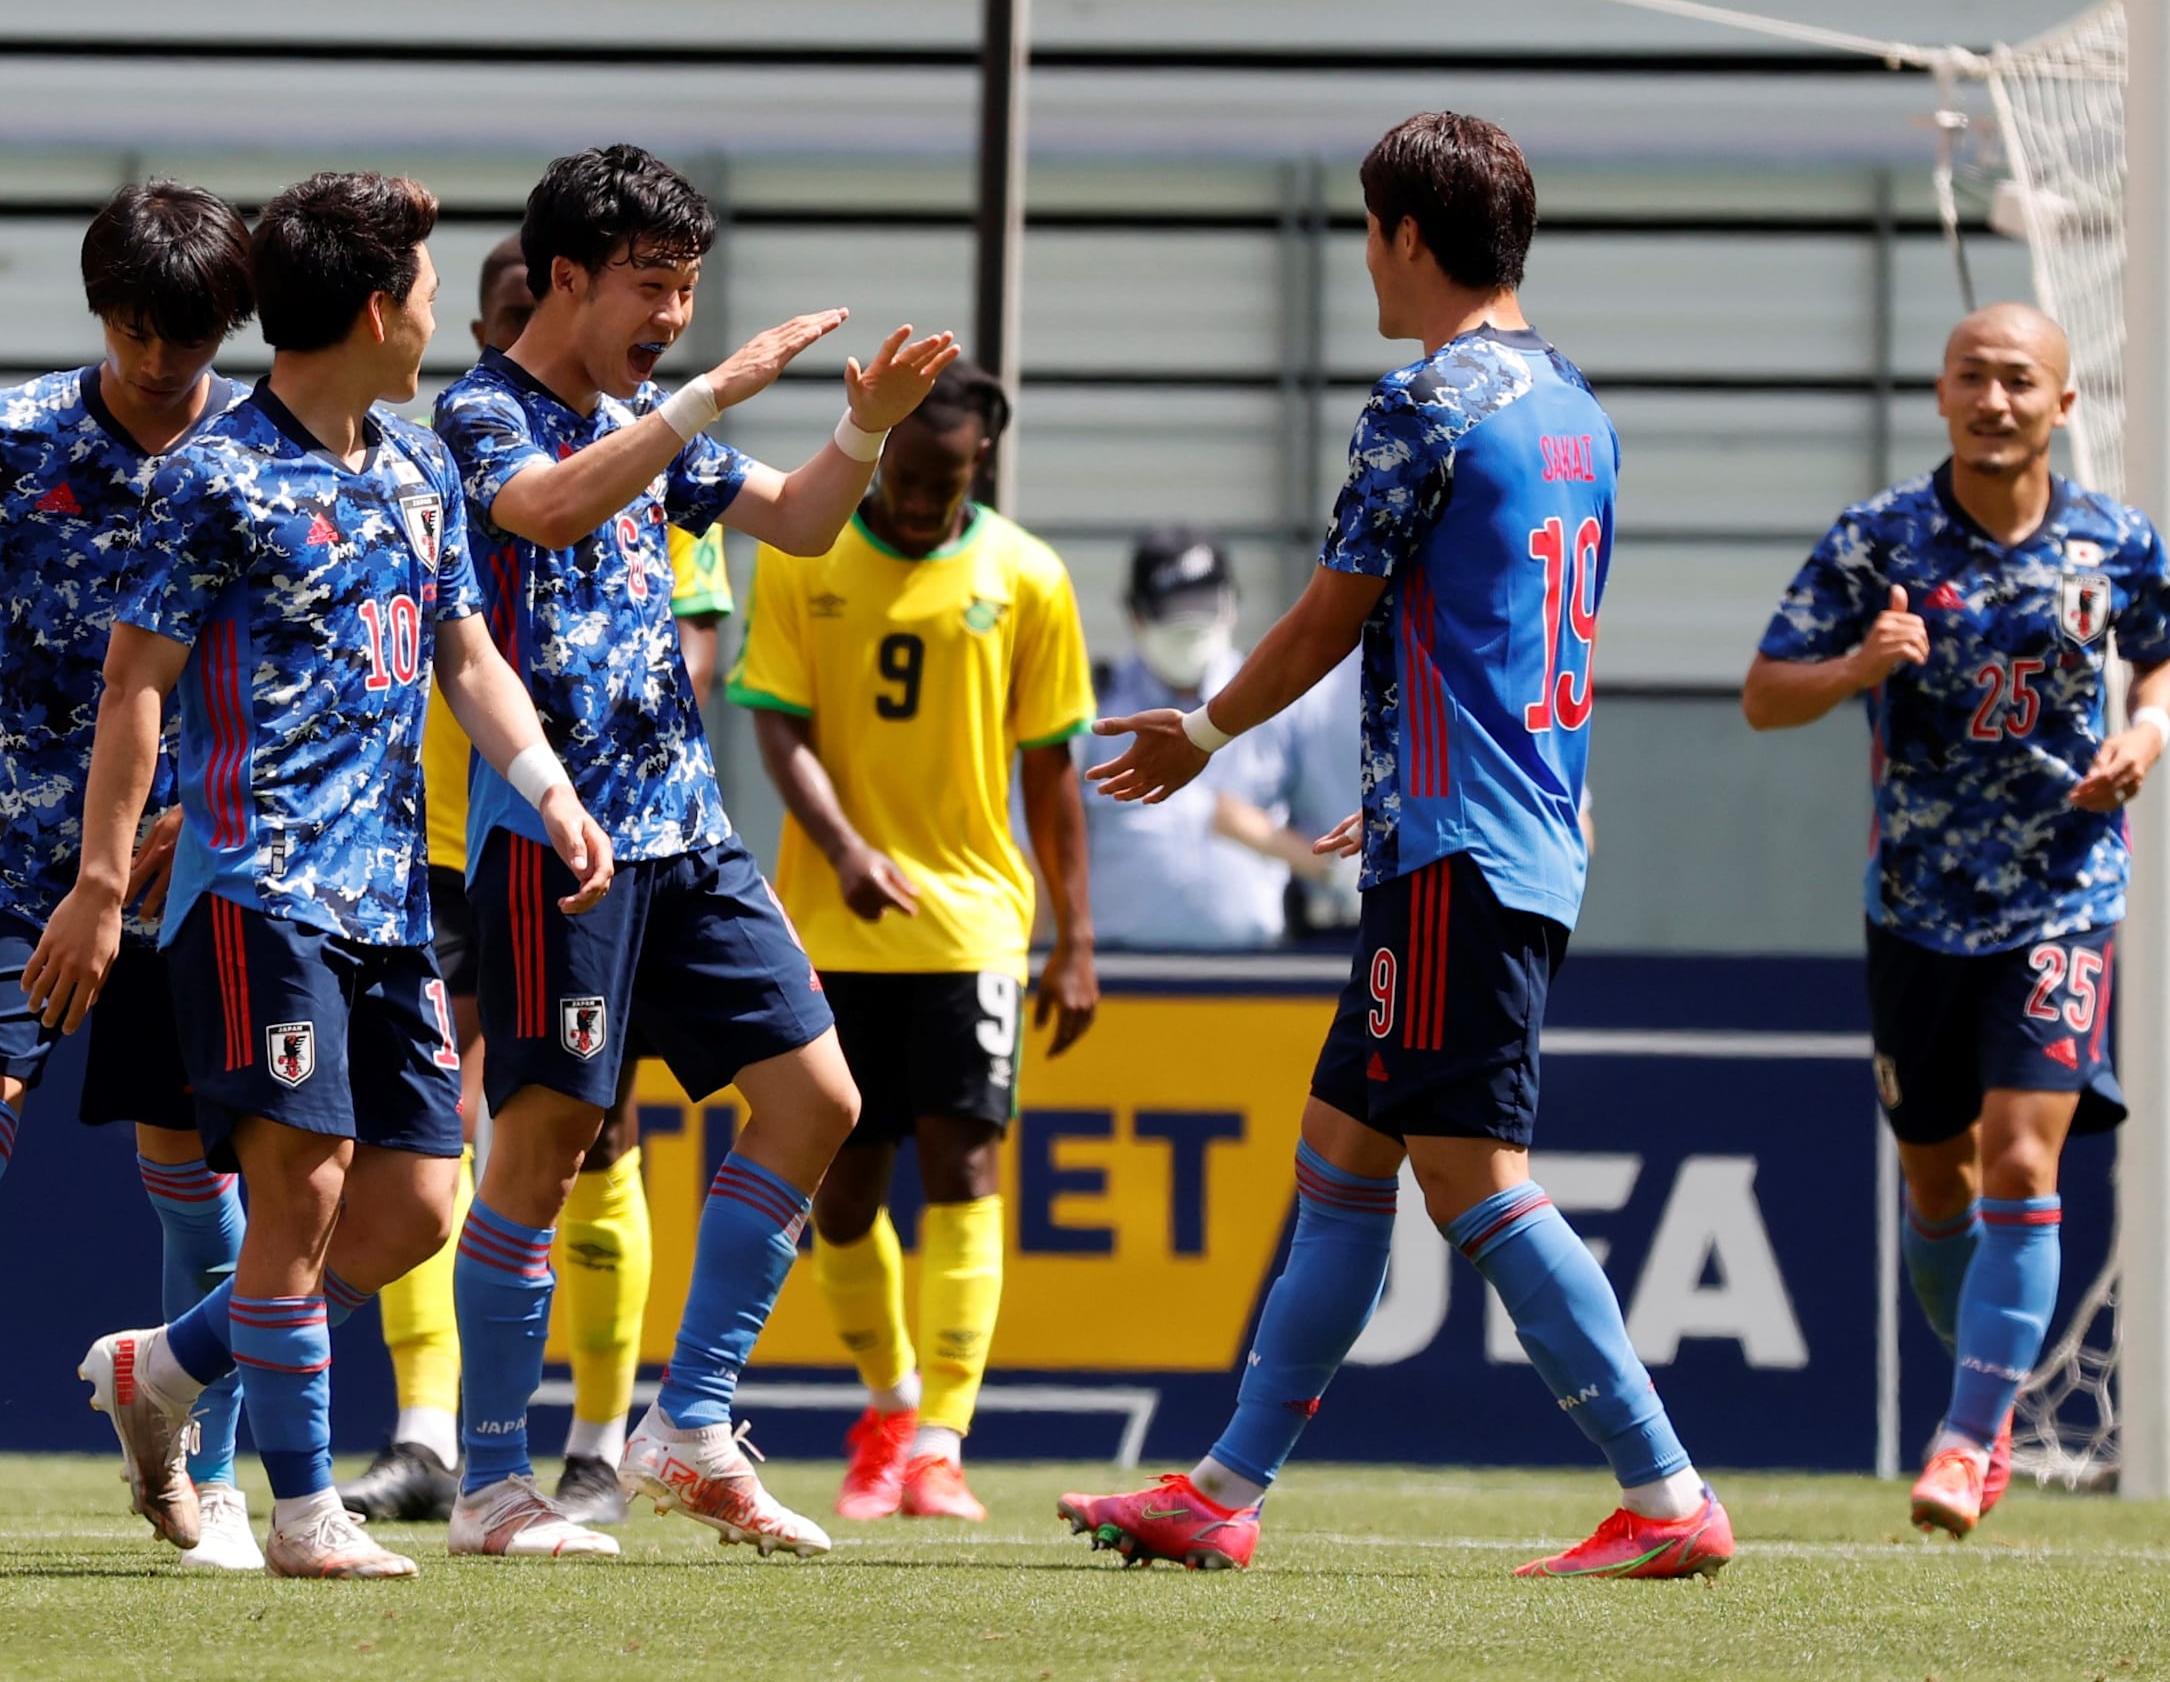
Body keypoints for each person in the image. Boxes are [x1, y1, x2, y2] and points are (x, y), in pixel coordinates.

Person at [1056, 111, 1731, 1581]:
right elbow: (1525, 636)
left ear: (1406, 236)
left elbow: (1323, 616)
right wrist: (1419, 770)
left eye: (1369, 229)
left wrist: (1203, 732)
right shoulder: (1578, 411)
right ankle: (1224, 1490)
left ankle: (1668, 1494)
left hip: (1463, 857)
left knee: (1472, 1179)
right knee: (1341, 1160)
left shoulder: (1429, 399)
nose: (1367, 256)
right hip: (1484, 829)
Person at [34, 171, 614, 1580]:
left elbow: (469, 659)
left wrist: (549, 793)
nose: (445, 315)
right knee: (302, 1189)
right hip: (257, 893)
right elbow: (134, 691)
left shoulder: (418, 470)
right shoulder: (214, 479)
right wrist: (105, 887)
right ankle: (303, 1511)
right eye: (425, 291)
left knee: (418, 1205)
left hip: (391, 909)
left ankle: (163, 1367)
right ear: (378, 309)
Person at [433, 142, 955, 1558]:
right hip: (558, 838)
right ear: (559, 280)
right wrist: (711, 395)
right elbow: (542, 509)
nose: (672, 316)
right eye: (649, 286)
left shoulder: (648, 417)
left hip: (690, 832)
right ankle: (490, 1480)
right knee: (543, 1148)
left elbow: (794, 520)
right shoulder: (479, 413)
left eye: (687, 289)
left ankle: (691, 1422)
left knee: (817, 1102)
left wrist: (863, 434)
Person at [0, 181, 260, 1573]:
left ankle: (196, 1464)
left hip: (192, 879)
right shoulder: (7, 437)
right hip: (11, 861)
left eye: (189, 334)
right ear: (101, 308)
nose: (159, 359)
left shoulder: (266, 451)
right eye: (139, 327)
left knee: (200, 1191)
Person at [1742, 301, 2170, 1538]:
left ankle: (1967, 1437)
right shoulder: (1877, 539)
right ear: (1939, 396)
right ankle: (1980, 1376)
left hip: (2060, 895)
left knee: (2019, 1160)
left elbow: (2162, 654)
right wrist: (1853, 667)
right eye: (1968, 379)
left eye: (2015, 381)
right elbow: (1762, 697)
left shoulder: (2111, 542)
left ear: (2057, 404)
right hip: (1914, 912)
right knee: (1937, 1185)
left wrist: (2143, 733)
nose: (1990, 400)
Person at [352, 234, 719, 1527]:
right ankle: (426, 1434)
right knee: (432, 1128)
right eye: (497, 318)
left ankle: (598, 1440)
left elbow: (698, 641)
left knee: (587, 1130)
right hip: (432, 837)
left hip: (589, 833)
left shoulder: (643, 449)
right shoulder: (454, 448)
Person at [728, 358, 1098, 1520]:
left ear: (980, 462)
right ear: (885, 450)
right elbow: (776, 728)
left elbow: (1050, 775)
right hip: (833, 920)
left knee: (966, 1165)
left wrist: (1075, 936)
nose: (933, 494)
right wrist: (841, 848)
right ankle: (887, 1404)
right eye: (918, 470)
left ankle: (938, 1437)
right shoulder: (809, 555)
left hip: (973, 922)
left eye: (957, 474)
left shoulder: (1028, 577)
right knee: (839, 1194)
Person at [1081, 526, 1346, 951]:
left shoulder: (1286, 706)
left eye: (1203, 609)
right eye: (1175, 613)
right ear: (1135, 614)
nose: (1191, 630)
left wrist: (1267, 838)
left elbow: (1329, 838)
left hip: (1256, 977)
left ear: (1233, 607)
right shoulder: (1094, 707)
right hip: (1117, 975)